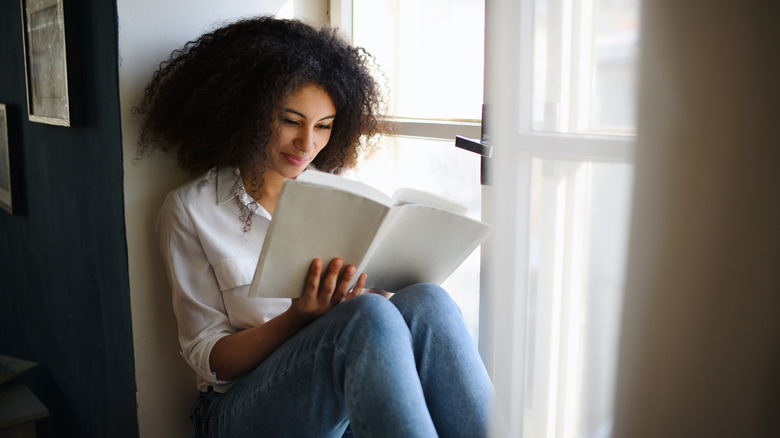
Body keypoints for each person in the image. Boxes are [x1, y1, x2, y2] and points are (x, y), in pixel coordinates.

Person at [136, 16, 492, 437]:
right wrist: (299, 317)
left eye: (323, 126)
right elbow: (209, 358)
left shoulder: (341, 197)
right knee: (369, 315)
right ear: (248, 113)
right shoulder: (191, 209)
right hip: (235, 405)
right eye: (290, 120)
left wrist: (370, 290)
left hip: (333, 377)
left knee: (426, 300)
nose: (308, 144)